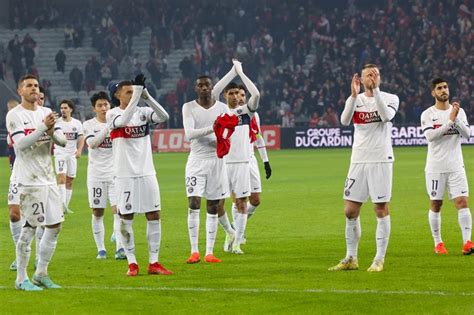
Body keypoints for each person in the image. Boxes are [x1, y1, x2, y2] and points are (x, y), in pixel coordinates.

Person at [329, 64, 399, 272]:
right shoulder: (355, 100)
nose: (372, 77)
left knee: (380, 208)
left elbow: (386, 116)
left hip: (381, 159)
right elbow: (343, 121)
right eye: (368, 74)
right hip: (358, 159)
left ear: (380, 77)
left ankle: (379, 259)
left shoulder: (390, 98)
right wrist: (352, 96)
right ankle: (351, 258)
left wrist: (375, 90)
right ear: (360, 78)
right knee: (350, 211)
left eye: (375, 73)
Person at [106, 74, 172, 276]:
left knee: (154, 214)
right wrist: (137, 94)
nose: (131, 93)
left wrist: (147, 95)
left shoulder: (143, 112)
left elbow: (164, 116)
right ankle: (132, 263)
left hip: (146, 172)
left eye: (132, 90)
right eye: (127, 90)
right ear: (117, 95)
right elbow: (125, 119)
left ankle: (154, 262)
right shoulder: (112, 114)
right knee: (126, 217)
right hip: (124, 175)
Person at [6, 74, 67, 291]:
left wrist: (51, 130)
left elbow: (62, 141)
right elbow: (20, 144)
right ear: (20, 90)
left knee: (54, 225)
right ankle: (21, 278)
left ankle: (41, 273)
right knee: (30, 228)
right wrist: (43, 128)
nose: (33, 88)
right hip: (28, 180)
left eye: (36, 85)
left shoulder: (47, 113)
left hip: (48, 179)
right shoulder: (15, 115)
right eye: (29, 86)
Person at [210, 60, 261, 254]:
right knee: (217, 205)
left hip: (241, 163)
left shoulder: (246, 111)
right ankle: (230, 232)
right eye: (230, 93)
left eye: (236, 93)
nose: (233, 96)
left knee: (241, 203)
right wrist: (233, 72)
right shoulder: (219, 110)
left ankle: (238, 242)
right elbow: (214, 91)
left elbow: (255, 94)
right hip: (221, 163)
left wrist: (241, 73)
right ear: (225, 95)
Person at [182, 73, 232, 264]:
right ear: (196, 88)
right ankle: (194, 251)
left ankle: (209, 252)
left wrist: (223, 137)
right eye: (200, 85)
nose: (204, 88)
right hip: (196, 161)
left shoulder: (222, 108)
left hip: (217, 161)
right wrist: (214, 127)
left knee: (213, 205)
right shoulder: (188, 107)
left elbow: (228, 131)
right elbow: (189, 134)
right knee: (194, 203)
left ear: (212, 87)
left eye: (207, 85)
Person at [420, 78, 473, 255]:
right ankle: (438, 243)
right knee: (436, 203)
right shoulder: (427, 114)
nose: (444, 90)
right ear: (433, 93)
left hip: (456, 166)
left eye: (445, 87)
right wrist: (450, 122)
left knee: (462, 202)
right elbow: (431, 136)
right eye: (439, 88)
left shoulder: (460, 112)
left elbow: (467, 134)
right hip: (436, 167)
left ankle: (467, 242)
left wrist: (456, 119)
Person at [83, 91, 125, 260]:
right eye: (99, 105)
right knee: (97, 212)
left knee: (119, 212)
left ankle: (120, 248)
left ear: (110, 105)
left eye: (106, 105)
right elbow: (92, 144)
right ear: (94, 108)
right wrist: (108, 126)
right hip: (96, 175)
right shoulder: (88, 125)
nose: (103, 108)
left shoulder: (118, 122)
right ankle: (101, 249)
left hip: (115, 174)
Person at [54, 99, 84, 212]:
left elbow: (81, 137)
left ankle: (65, 206)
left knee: (70, 180)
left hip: (72, 154)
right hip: (60, 153)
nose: (63, 110)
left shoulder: (77, 123)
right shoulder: (57, 123)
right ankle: (60, 205)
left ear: (71, 109)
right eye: (61, 108)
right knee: (61, 177)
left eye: (65, 108)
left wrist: (79, 150)